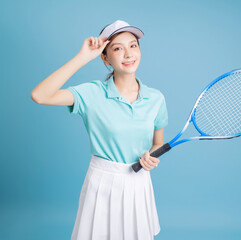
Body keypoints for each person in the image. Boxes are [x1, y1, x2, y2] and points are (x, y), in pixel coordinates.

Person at [30, 20, 168, 240]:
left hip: (139, 182)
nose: (128, 54)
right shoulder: (91, 94)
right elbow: (40, 95)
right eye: (117, 48)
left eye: (133, 46)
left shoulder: (156, 98)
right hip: (102, 183)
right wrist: (82, 57)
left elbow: (158, 143)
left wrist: (151, 157)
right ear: (105, 57)